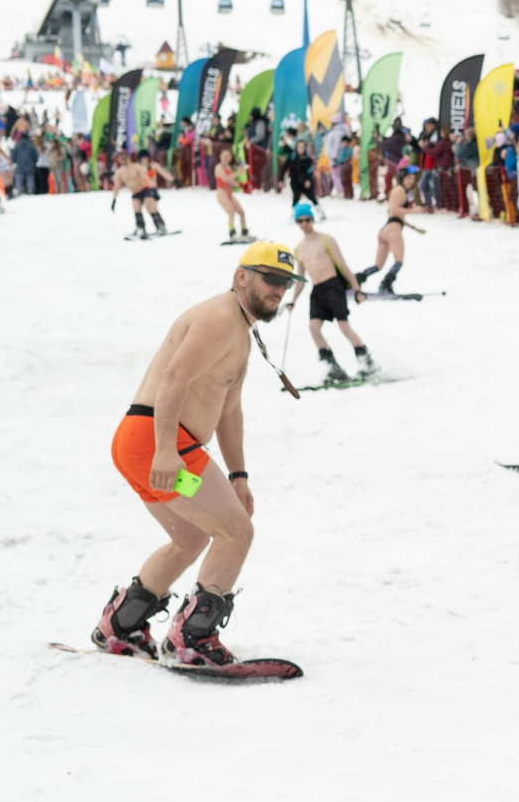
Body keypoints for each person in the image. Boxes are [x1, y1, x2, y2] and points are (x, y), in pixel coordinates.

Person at [91, 240, 297, 666]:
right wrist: (166, 451)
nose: (280, 290)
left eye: (287, 283)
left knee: (191, 537)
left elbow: (230, 410)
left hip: (141, 446)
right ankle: (193, 636)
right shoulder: (220, 318)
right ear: (242, 276)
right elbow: (174, 379)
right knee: (236, 533)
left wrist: (239, 477)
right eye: (272, 280)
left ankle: (123, 624)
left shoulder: (238, 328)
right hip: (157, 444)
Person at [285, 203, 373, 385]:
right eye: (300, 221)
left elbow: (342, 265)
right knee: (313, 328)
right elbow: (300, 278)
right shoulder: (298, 249)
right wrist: (292, 301)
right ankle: (333, 368)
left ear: (312, 220)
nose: (304, 224)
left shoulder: (326, 239)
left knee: (344, 327)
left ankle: (367, 364)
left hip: (333, 286)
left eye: (307, 220)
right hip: (317, 290)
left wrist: (357, 289)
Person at [357, 166, 422, 293]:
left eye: (413, 179)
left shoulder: (398, 190)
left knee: (378, 266)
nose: (411, 181)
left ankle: (356, 279)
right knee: (398, 262)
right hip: (393, 231)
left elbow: (395, 215)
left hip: (386, 230)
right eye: (409, 178)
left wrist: (414, 228)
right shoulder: (400, 190)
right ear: (402, 178)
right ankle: (385, 285)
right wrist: (415, 211)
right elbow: (394, 209)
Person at [116, 153, 169, 239]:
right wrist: (114, 199)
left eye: (124, 157)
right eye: (121, 158)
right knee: (136, 207)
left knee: (150, 207)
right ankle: (140, 227)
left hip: (145, 189)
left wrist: (153, 189)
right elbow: (117, 186)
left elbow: (147, 177)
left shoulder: (138, 167)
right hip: (135, 192)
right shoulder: (120, 172)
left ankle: (160, 226)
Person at [212, 152, 251, 245]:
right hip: (221, 192)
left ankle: (244, 230)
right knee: (231, 212)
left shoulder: (228, 168)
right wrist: (239, 172)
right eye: (225, 156)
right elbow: (225, 179)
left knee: (241, 212)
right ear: (220, 157)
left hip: (229, 193)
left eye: (228, 156)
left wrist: (242, 185)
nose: (227, 158)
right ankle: (232, 231)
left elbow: (231, 181)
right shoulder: (219, 167)